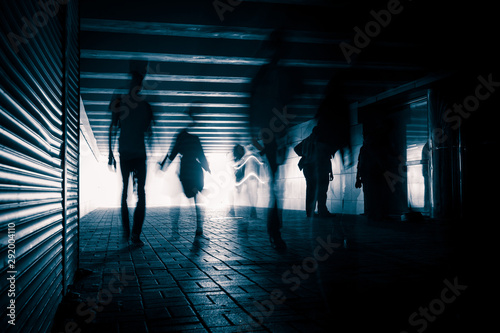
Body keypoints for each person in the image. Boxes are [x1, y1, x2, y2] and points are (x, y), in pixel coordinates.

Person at [108, 64, 153, 246]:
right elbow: (113, 127)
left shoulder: (130, 103)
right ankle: (132, 233)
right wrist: (110, 153)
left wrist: (111, 153)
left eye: (139, 82)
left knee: (129, 192)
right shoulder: (142, 105)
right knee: (136, 192)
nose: (138, 85)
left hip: (129, 153)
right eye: (137, 81)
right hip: (133, 154)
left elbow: (113, 128)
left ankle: (131, 233)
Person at [159, 111, 211, 236]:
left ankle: (176, 228)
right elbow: (201, 155)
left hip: (185, 170)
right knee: (195, 197)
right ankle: (199, 228)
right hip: (196, 170)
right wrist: (207, 168)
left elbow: (172, 153)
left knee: (184, 197)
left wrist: (163, 165)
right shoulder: (195, 138)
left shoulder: (180, 137)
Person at [295, 126, 335, 218]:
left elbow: (296, 148)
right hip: (320, 168)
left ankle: (310, 212)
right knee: (322, 190)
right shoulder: (322, 142)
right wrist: (330, 172)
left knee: (310, 190)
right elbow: (327, 158)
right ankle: (322, 211)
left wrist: (304, 154)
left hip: (308, 168)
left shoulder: (307, 140)